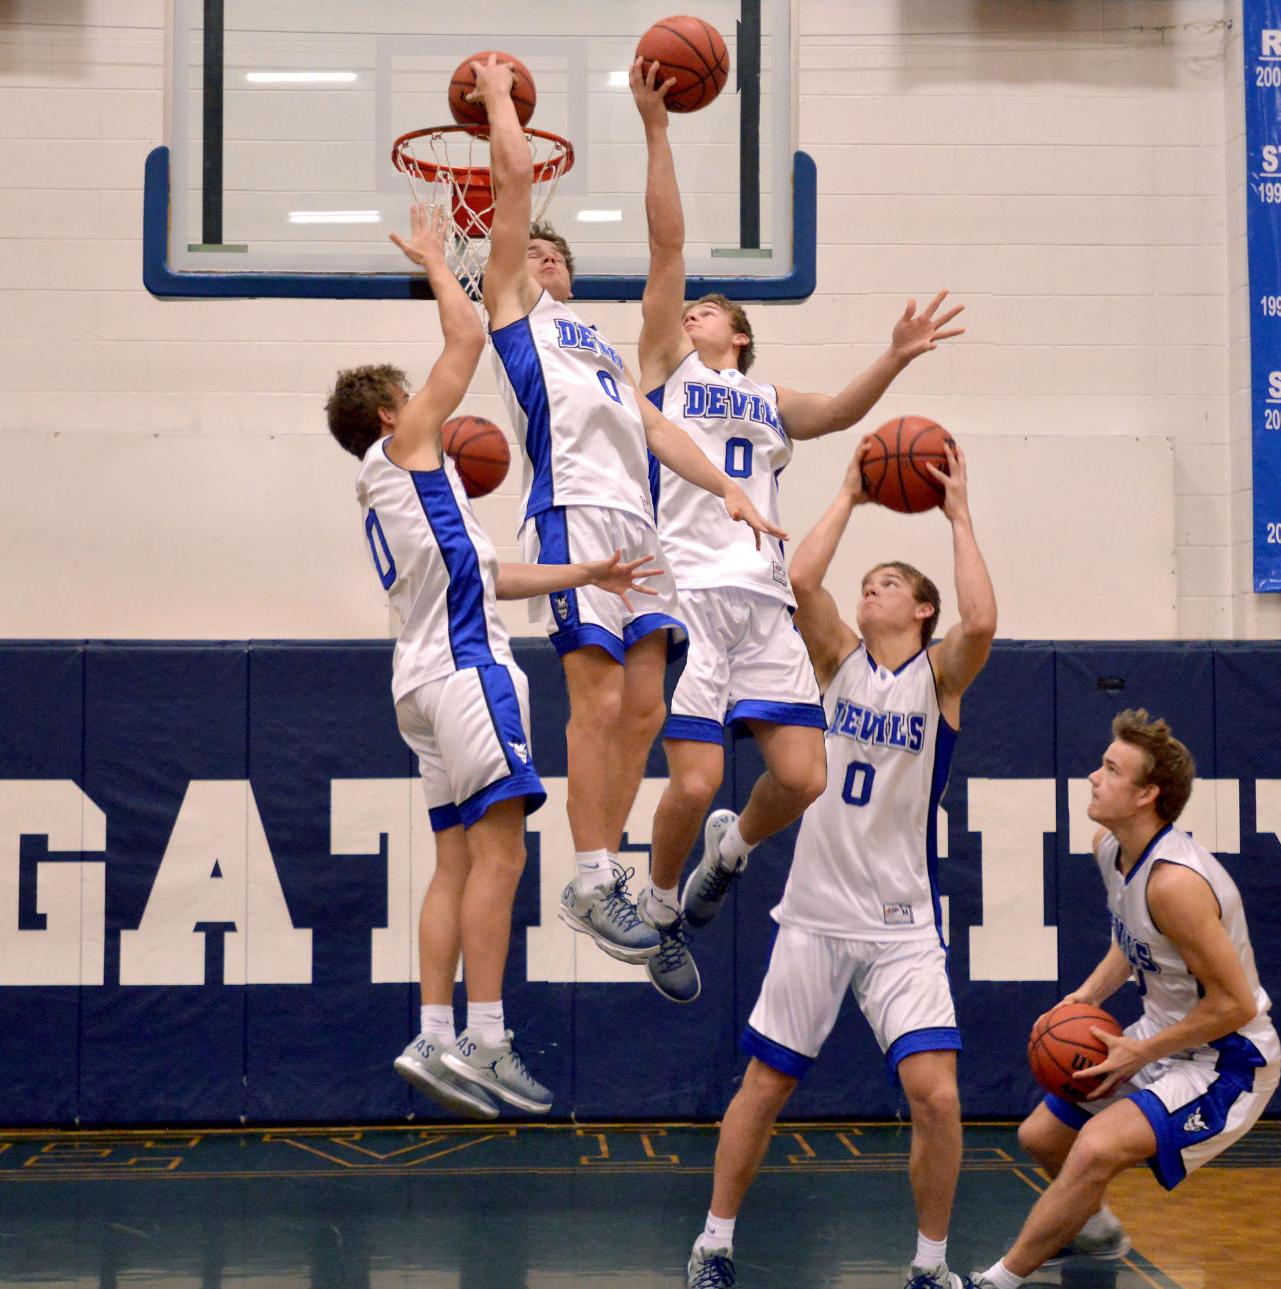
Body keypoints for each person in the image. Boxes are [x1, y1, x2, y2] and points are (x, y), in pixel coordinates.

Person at [630, 60, 967, 1003]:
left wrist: (894, 359)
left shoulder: (768, 404)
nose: (688, 309)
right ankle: (656, 915)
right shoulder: (666, 370)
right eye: (687, 306)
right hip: (690, 588)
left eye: (706, 309)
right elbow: (667, 248)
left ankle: (726, 859)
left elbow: (840, 411)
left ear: (737, 336)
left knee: (804, 776)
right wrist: (659, 133)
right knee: (691, 786)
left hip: (765, 603)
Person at [325, 204, 662, 1118]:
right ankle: (490, 1036)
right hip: (470, 673)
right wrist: (440, 260)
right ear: (395, 414)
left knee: (452, 865)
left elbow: (490, 573)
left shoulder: (401, 493)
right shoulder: (407, 445)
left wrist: (586, 570)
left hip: (420, 682)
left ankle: (433, 1035)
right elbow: (468, 332)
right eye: (420, 397)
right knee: (503, 857)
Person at [465, 56, 785, 973]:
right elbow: (515, 180)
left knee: (644, 710)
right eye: (533, 251)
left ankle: (606, 872)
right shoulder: (514, 316)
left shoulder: (601, 347)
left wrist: (724, 487)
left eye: (558, 254)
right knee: (597, 699)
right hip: (572, 510)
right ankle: (592, 873)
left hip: (641, 534)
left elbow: (656, 426)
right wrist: (496, 103)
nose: (547, 258)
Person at [684, 441, 996, 1289]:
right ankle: (712, 1247)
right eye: (869, 584)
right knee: (765, 1085)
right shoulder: (833, 659)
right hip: (816, 915)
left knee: (935, 1096)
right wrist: (851, 494)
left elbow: (981, 621)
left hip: (901, 925)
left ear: (921, 607)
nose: (871, 591)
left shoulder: (940, 676)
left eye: (890, 585)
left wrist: (959, 515)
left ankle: (932, 1274)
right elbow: (798, 578)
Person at [954, 711, 1281, 1289]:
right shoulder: (1114, 850)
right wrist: (1078, 998)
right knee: (1042, 1137)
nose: (1092, 777)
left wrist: (1141, 1051)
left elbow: (1236, 1004)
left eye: (1110, 769)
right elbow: (1128, 944)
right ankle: (1096, 1232)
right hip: (1160, 1040)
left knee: (1097, 1148)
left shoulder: (1176, 885)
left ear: (1146, 794)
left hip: (1228, 1062)